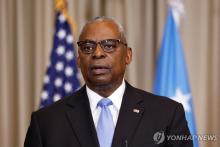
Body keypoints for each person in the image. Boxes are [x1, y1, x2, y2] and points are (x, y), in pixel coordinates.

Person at [24, 16, 193, 147]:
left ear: (128, 55)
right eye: (87, 47)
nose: (97, 53)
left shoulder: (167, 115)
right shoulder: (46, 122)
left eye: (109, 45)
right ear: (78, 60)